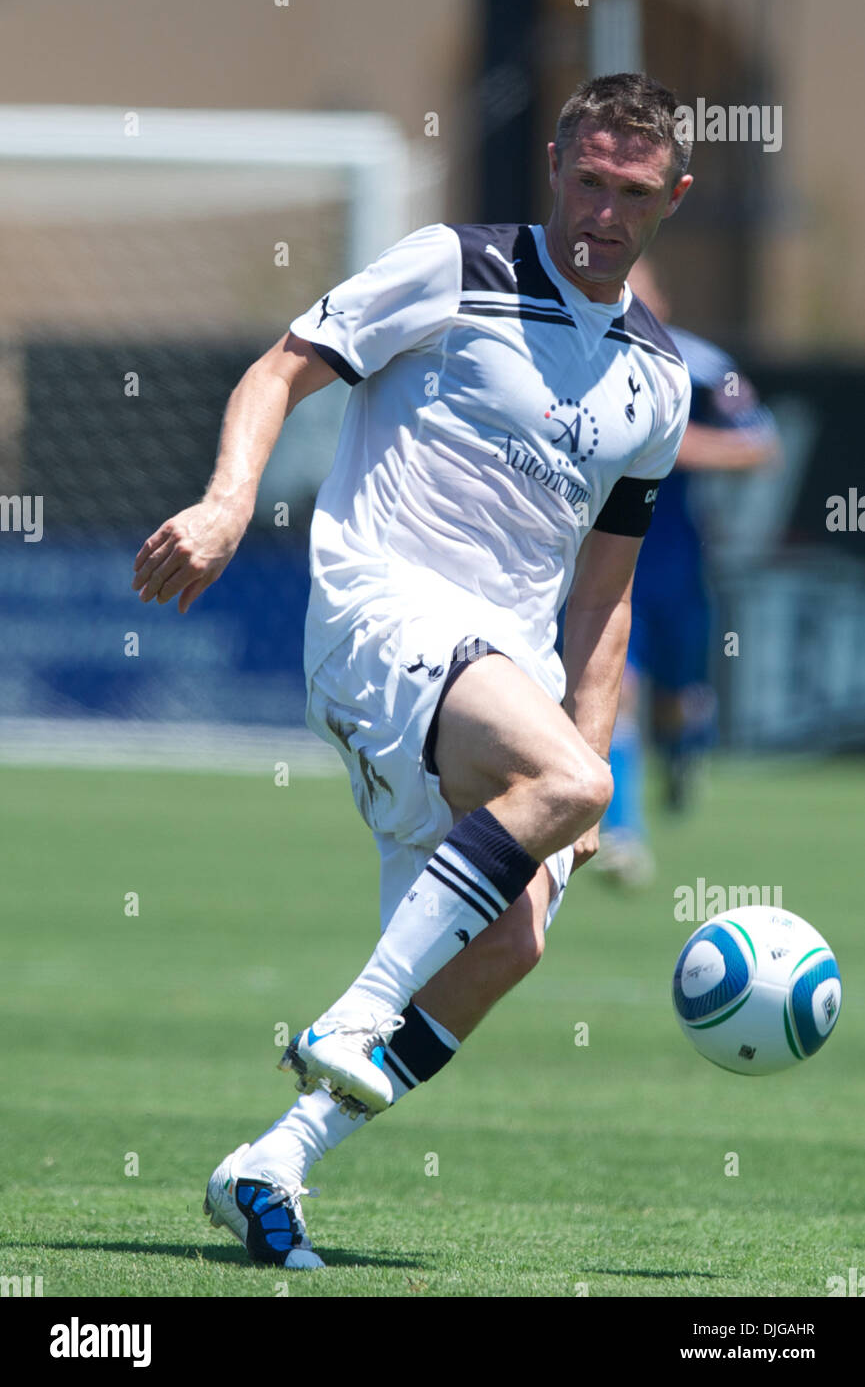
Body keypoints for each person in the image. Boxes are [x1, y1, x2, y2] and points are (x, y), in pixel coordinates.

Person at [132, 72, 693, 1269]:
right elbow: (279, 366)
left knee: (512, 946)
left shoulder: (659, 381)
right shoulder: (452, 265)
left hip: (498, 680)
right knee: (566, 792)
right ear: (553, 164)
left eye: (630, 193)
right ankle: (352, 1012)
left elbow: (604, 595)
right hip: (378, 615)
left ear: (671, 200)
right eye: (586, 179)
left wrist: (584, 754)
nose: (602, 210)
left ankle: (273, 1159)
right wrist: (230, 504)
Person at [594, 257, 780, 887]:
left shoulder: (704, 368)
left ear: (663, 304)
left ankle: (683, 753)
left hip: (674, 566)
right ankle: (622, 836)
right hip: (601, 568)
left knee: (676, 702)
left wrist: (673, 443)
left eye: (638, 295)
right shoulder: (575, 361)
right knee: (615, 692)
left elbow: (762, 443)